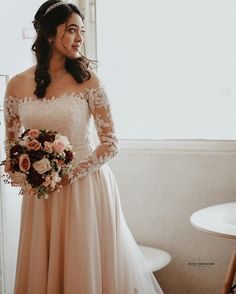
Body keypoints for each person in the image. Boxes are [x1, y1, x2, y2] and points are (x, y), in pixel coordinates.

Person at [3, 1, 164, 293]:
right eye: (72, 30)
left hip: (84, 190)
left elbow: (110, 144)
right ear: (50, 35)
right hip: (40, 195)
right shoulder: (16, 84)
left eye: (81, 31)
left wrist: (69, 175)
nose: (80, 38)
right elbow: (12, 144)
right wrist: (25, 175)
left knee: (83, 268)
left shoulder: (89, 80)